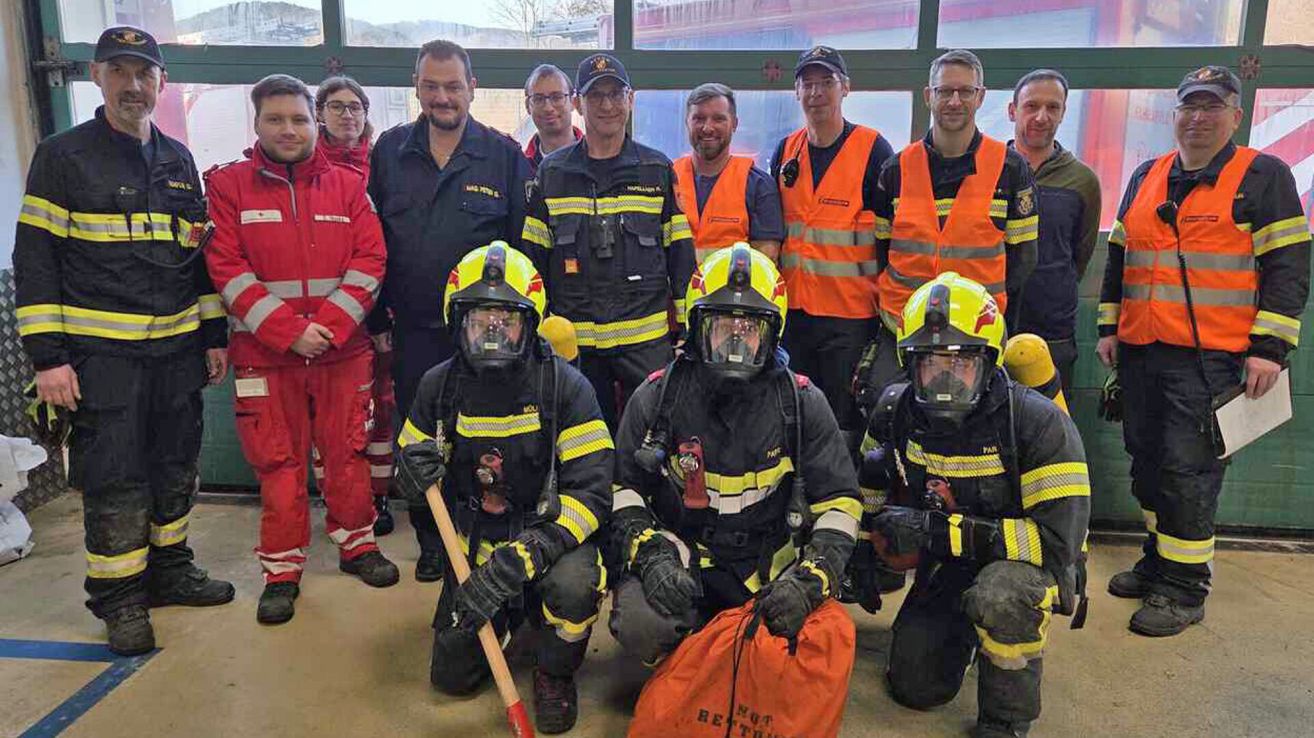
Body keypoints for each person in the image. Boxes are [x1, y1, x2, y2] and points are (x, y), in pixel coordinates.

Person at [13, 26, 233, 656]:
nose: (133, 86)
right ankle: (120, 599)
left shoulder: (177, 159)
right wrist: (49, 359)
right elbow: (35, 261)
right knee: (115, 478)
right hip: (100, 360)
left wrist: (213, 334)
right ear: (96, 78)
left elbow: (196, 260)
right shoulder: (63, 158)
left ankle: (170, 571)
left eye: (145, 74)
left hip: (176, 355)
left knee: (174, 468)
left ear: (161, 83)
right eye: (119, 72)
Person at [1096, 66, 1311, 636]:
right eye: (1190, 106)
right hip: (1142, 350)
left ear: (1235, 116)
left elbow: (1288, 267)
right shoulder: (1147, 174)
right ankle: (1158, 558)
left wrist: (1270, 348)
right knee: (1146, 462)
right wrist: (1109, 326)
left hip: (1211, 357)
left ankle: (1185, 589)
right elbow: (1120, 256)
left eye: (1212, 107)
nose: (1199, 117)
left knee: (1189, 471)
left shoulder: (1263, 177)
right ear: (1175, 115)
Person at [393, 243, 612, 734]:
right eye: (479, 319)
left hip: (548, 540)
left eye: (505, 320)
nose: (493, 333)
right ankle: (514, 614)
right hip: (473, 543)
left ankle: (554, 669)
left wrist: (531, 552)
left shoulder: (566, 389)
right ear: (458, 322)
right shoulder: (438, 387)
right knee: (452, 678)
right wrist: (407, 475)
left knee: (575, 588)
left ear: (530, 324)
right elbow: (408, 462)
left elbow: (594, 493)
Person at [608, 244, 862, 666]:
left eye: (750, 329)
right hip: (682, 560)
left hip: (768, 568)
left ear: (773, 334)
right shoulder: (657, 398)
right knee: (641, 624)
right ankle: (680, 665)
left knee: (820, 645)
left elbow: (841, 503)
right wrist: (651, 556)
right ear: (697, 328)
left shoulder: (801, 403)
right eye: (723, 326)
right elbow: (622, 491)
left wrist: (810, 580)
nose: (736, 343)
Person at [861, 272, 1090, 738]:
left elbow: (1056, 544)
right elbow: (870, 493)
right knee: (915, 687)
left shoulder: (1036, 423)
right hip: (948, 562)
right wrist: (865, 554)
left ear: (988, 362)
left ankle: (1006, 721)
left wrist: (932, 531)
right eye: (931, 363)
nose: (946, 378)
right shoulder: (894, 410)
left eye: (960, 363)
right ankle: (962, 632)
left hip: (1020, 566)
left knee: (1001, 597)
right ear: (910, 364)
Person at [205, 74, 397, 625]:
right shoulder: (228, 187)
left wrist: (331, 326)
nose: (288, 130)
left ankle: (358, 544)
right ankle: (282, 569)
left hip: (341, 351)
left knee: (347, 451)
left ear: (313, 122)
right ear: (257, 123)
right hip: (267, 355)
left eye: (297, 119)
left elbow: (370, 260)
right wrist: (289, 331)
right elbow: (226, 268)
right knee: (279, 463)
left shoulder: (346, 186)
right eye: (275, 119)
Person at [369, 39, 530, 579]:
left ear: (472, 88)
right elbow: (370, 244)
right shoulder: (388, 153)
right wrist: (375, 322)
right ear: (416, 86)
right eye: (432, 85)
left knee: (479, 431)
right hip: (413, 331)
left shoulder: (503, 156)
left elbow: (520, 253)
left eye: (453, 86)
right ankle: (433, 540)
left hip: (488, 332)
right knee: (419, 436)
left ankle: (476, 528)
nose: (443, 97)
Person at [521, 53, 696, 431]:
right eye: (595, 95)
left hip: (645, 343)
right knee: (583, 442)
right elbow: (533, 263)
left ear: (630, 100)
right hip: (576, 348)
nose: (607, 105)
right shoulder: (553, 174)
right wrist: (535, 333)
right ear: (578, 104)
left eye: (616, 94)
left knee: (652, 440)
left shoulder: (656, 170)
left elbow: (681, 257)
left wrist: (688, 332)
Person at [862, 49, 1038, 403]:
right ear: (929, 96)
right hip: (902, 330)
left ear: (981, 96)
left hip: (975, 338)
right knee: (883, 412)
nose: (954, 101)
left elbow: (1023, 260)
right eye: (944, 91)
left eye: (965, 91)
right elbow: (879, 251)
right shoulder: (895, 170)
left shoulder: (1011, 170)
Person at [769, 46, 895, 435]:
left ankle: (844, 493)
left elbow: (890, 240)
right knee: (793, 414)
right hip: (795, 317)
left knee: (842, 420)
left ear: (846, 89)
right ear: (796, 92)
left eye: (827, 82)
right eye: (807, 83)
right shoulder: (785, 151)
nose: (816, 92)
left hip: (849, 320)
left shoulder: (874, 150)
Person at [311, 75, 396, 536]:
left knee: (380, 408)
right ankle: (339, 501)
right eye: (337, 106)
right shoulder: (305, 167)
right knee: (331, 419)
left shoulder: (380, 164)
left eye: (355, 107)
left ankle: (378, 499)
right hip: (322, 319)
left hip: (376, 312)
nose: (347, 115)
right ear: (319, 113)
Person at [1008, 69, 1101, 394]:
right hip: (990, 328)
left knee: (1049, 433)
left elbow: (1080, 255)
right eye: (1031, 106)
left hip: (1052, 333)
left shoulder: (1082, 181)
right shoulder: (988, 170)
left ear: (1063, 113)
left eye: (1053, 107)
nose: (1041, 116)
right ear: (1012, 111)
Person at [673, 83, 785, 263]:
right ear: (687, 122)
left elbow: (765, 261)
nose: (707, 128)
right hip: (675, 292)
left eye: (718, 119)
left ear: (734, 124)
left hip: (730, 292)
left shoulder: (758, 186)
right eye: (699, 118)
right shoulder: (666, 180)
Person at [523, 64, 583, 177]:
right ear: (527, 106)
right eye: (538, 99)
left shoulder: (595, 159)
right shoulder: (519, 166)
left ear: (573, 102)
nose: (548, 108)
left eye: (557, 97)